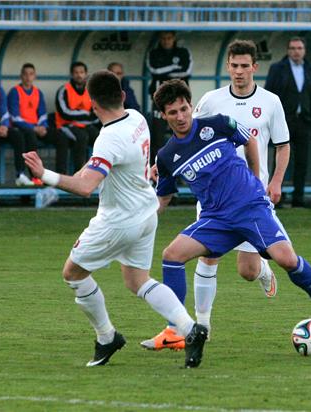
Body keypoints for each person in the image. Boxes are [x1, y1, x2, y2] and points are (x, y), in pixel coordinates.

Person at [142, 79, 311, 353]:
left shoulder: (217, 124)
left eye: (183, 109)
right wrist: (141, 221)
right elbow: (163, 197)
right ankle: (175, 330)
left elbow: (249, 139)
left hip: (251, 207)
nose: (180, 117)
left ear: (191, 106)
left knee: (286, 260)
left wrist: (254, 178)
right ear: (163, 115)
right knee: (172, 255)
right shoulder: (167, 156)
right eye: (173, 112)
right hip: (216, 219)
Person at [23, 70, 207, 369]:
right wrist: (85, 170)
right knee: (138, 281)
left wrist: (44, 175)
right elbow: (99, 166)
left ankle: (107, 336)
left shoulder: (108, 138)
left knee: (73, 273)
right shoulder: (136, 117)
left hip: (118, 220)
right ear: (122, 95)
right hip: (146, 212)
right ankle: (190, 329)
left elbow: (85, 186)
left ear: (92, 105)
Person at [141, 40, 291, 351]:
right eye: (234, 66)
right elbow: (185, 136)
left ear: (254, 67)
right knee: (208, 258)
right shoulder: (211, 101)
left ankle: (262, 269)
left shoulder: (271, 102)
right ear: (228, 67)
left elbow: (282, 144)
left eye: (244, 65)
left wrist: (274, 180)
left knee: (246, 270)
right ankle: (201, 327)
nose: (239, 71)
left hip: (251, 195)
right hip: (212, 200)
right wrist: (160, 164)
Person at [265, 36, 311, 208]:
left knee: (302, 160)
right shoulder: (277, 69)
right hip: (283, 121)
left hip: (303, 121)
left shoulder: (310, 70)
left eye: (299, 48)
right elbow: (269, 94)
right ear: (288, 51)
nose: (296, 52)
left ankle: (299, 197)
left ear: (304, 51)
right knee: (280, 159)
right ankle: (275, 196)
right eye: (293, 48)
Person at [146, 31, 193, 165]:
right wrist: (174, 68)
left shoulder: (183, 52)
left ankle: (185, 169)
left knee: (185, 134)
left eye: (169, 38)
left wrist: (164, 72)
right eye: (163, 38)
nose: (166, 41)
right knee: (157, 137)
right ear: (160, 40)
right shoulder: (154, 53)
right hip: (159, 102)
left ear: (174, 38)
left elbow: (187, 71)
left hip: (181, 100)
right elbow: (154, 71)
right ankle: (157, 170)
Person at [8, 63, 57, 186]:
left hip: (36, 128)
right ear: (21, 76)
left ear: (35, 76)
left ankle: (62, 175)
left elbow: (42, 113)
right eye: (25, 74)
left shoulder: (37, 92)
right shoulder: (15, 92)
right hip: (21, 128)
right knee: (29, 136)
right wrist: (33, 128)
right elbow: (15, 117)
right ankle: (29, 175)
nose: (28, 77)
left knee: (60, 136)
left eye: (31, 74)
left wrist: (42, 127)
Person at [54, 61, 100, 174]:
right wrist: (85, 114)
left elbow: (95, 113)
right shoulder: (64, 90)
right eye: (76, 72)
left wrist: (80, 115)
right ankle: (79, 174)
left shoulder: (91, 91)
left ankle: (99, 173)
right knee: (82, 137)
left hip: (86, 125)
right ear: (71, 74)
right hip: (66, 125)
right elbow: (64, 113)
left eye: (81, 72)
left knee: (100, 138)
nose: (79, 75)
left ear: (86, 74)